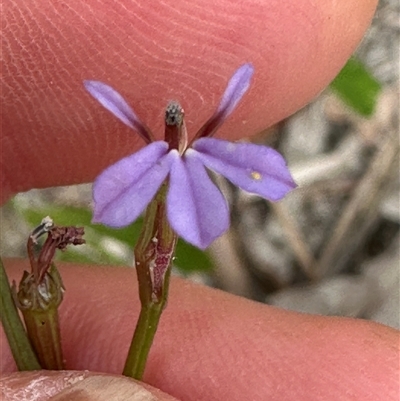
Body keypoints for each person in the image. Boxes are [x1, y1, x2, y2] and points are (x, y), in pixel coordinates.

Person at [1, 1, 398, 400]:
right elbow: (114, 201)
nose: (176, 131)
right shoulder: (154, 162)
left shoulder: (197, 158)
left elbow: (265, 177)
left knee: (153, 298)